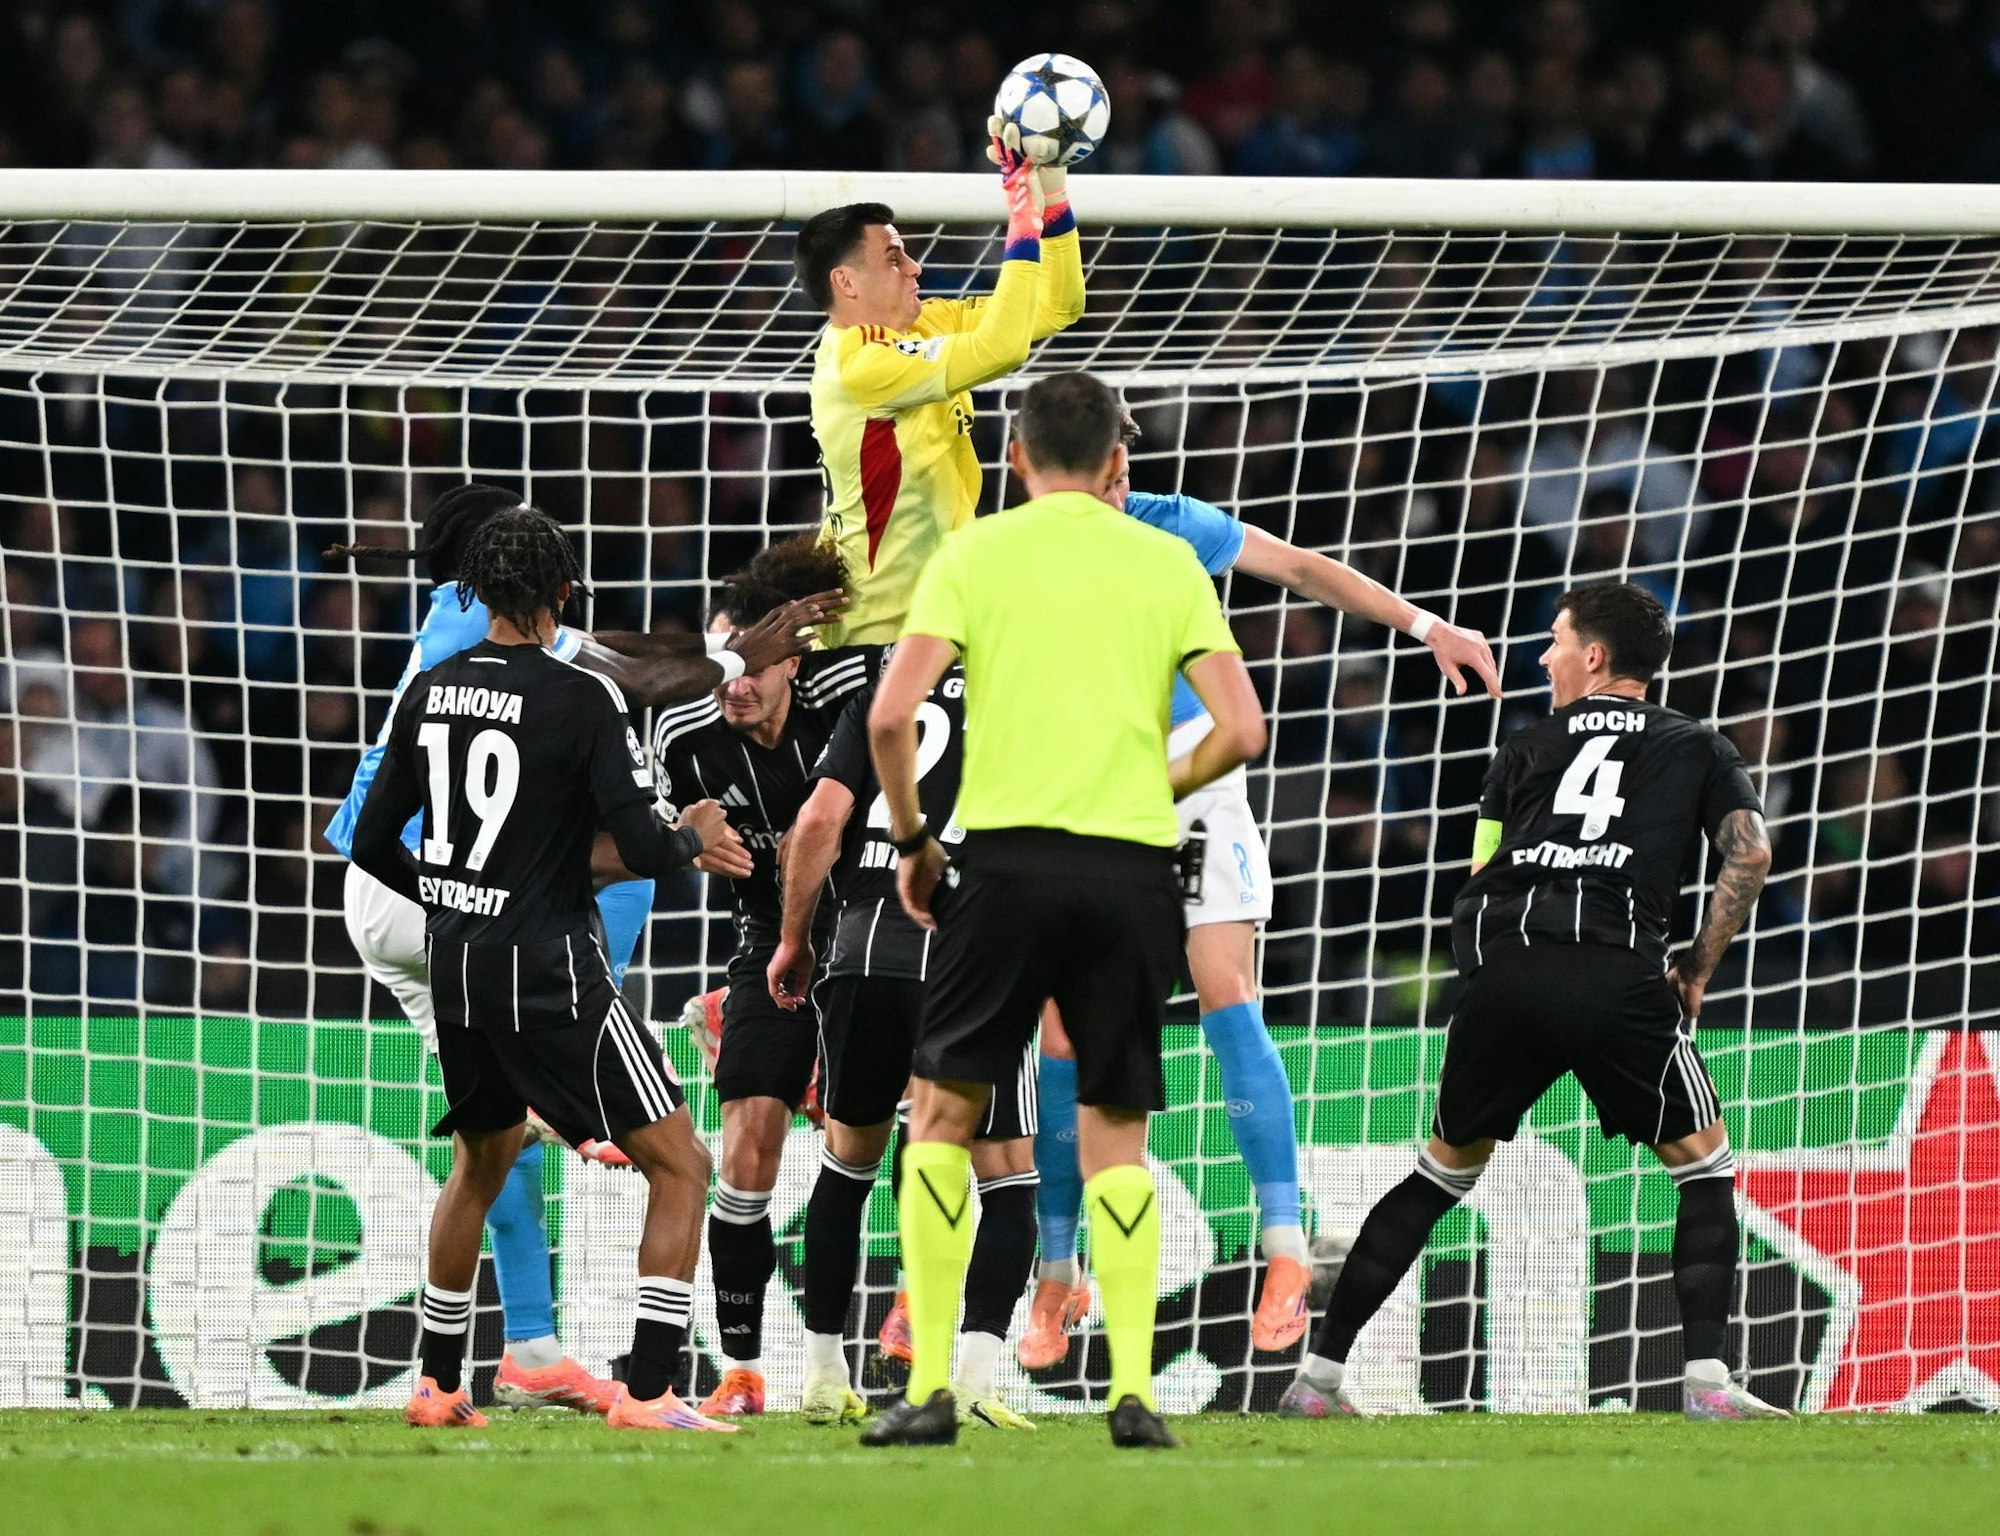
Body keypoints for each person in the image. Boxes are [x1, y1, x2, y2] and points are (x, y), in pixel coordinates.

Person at [325, 483, 822, 1410]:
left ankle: (468, 1370)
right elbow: (636, 709)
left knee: (484, 1153)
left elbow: (370, 834)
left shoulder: (441, 666)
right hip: (530, 952)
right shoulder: (574, 690)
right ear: (559, 587)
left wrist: (444, 898)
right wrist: (689, 829)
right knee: (683, 1161)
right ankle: (649, 1382)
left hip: (439, 929)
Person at [1024, 416, 1502, 1367]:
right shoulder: (1016, 550)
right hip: (1081, 792)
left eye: (1121, 461)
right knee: (1063, 1034)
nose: (1116, 475)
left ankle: (1284, 1247)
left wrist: (1426, 625)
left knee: (1226, 992)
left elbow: (1302, 569)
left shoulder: (1172, 524)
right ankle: (1055, 1270)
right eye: (1103, 460)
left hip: (1192, 778)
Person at [860, 371, 1267, 1450]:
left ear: (1016, 457)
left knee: (941, 1118)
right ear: (1117, 463)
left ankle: (930, 1387)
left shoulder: (975, 554)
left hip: (1002, 866)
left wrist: (913, 841)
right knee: (1114, 1136)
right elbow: (1242, 729)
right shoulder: (1167, 561)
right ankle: (1131, 1392)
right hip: (1129, 873)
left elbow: (891, 717)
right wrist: (1156, 786)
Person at [1277, 582, 1789, 1421]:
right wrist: (1696, 967)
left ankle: (1318, 1381)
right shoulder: (1697, 744)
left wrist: (1488, 977)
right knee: (1704, 1172)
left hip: (1509, 970)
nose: (1545, 657)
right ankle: (1706, 1384)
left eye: (1556, 640)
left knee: (1438, 1176)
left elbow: (1479, 874)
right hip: (1615, 972)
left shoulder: (1524, 746)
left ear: (1596, 656)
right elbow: (1752, 853)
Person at [768, 653, 1040, 1430]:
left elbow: (817, 822)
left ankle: (824, 1375)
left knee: (846, 1164)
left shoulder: (882, 692)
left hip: (864, 952)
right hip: (969, 955)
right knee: (1006, 1176)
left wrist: (794, 939)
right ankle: (974, 1381)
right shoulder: (1026, 691)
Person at [646, 539, 860, 1419]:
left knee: (880, 1137)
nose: (733, 682)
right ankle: (740, 1371)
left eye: (751, 664)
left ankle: (903, 1341)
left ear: (792, 662)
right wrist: (684, 842)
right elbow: (645, 832)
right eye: (722, 661)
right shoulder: (682, 736)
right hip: (768, 941)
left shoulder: (847, 697)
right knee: (745, 1149)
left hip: (872, 935)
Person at [796, 124, 1083, 648]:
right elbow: (1001, 349)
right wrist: (1021, 216)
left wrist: (1053, 193)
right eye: (893, 257)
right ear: (845, 281)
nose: (915, 267)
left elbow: (1058, 307)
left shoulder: (924, 323)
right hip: (872, 637)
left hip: (942, 620)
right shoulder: (857, 363)